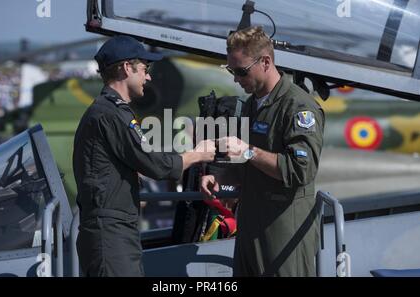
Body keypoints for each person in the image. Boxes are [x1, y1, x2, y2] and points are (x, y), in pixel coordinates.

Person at [73, 35, 215, 277]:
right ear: (127, 68)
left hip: (115, 231)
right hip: (111, 235)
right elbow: (155, 164)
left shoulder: (109, 111)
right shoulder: (111, 114)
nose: (148, 77)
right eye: (144, 69)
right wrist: (198, 154)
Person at [200, 26, 325, 277]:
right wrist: (222, 180)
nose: (236, 79)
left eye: (241, 71)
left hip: (282, 235)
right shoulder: (252, 104)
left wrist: (247, 151)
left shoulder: (298, 107)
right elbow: (251, 166)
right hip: (250, 228)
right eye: (231, 71)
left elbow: (301, 170)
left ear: (266, 62)